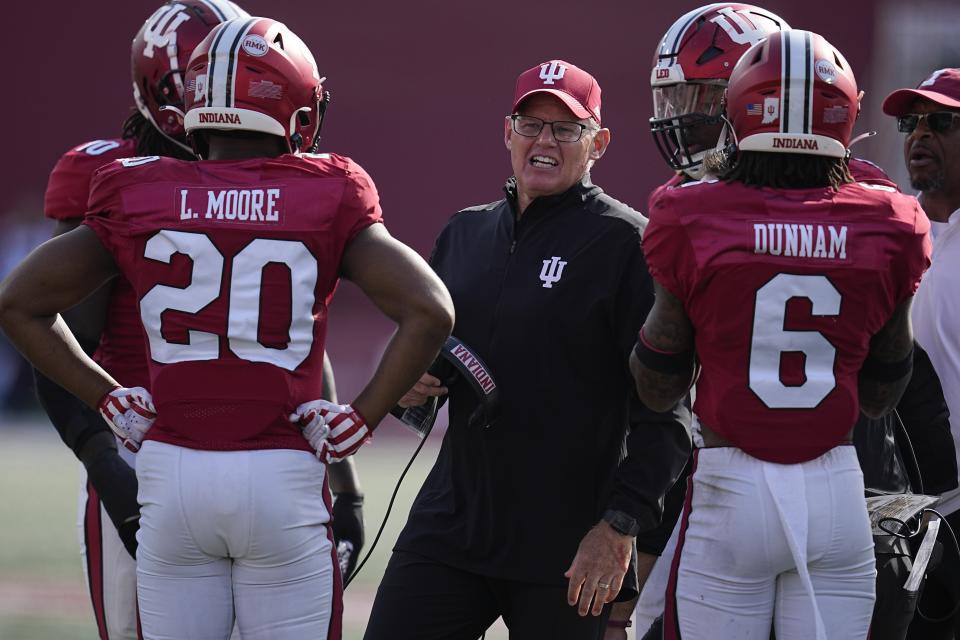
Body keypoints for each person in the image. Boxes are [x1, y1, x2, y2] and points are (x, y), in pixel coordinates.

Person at [0, 16, 453, 640]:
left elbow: (19, 301)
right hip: (279, 472)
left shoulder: (135, 188)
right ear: (292, 105)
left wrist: (105, 396)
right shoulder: (328, 189)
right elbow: (430, 308)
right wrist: (361, 416)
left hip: (169, 472)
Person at [633, 6, 958, 638]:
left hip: (748, 478)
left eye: (704, 95)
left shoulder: (688, 214)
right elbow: (893, 373)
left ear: (749, 103)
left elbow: (660, 380)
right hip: (835, 484)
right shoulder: (886, 216)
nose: (685, 116)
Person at [363, 59, 691, 640]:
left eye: (567, 128)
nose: (545, 141)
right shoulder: (463, 233)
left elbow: (666, 415)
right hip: (452, 523)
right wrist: (408, 386)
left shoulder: (628, 244)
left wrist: (618, 528)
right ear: (507, 132)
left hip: (568, 543)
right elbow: (427, 372)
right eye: (531, 124)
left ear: (600, 144)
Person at [882, 67, 960, 640]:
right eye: (912, 122)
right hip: (898, 518)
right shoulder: (884, 233)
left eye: (944, 122)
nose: (919, 134)